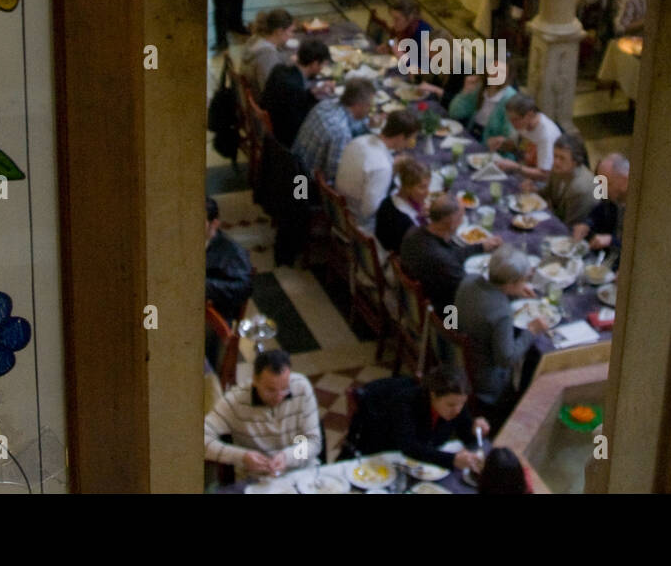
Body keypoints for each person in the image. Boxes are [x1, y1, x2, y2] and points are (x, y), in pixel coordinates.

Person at [454, 246, 550, 425]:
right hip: (487, 381)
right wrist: (532, 331)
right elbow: (506, 358)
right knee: (532, 365)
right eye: (524, 280)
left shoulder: (469, 280)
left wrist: (511, 295)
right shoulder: (501, 313)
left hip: (461, 357)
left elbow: (483, 304)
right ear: (510, 283)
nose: (526, 283)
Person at [343, 366, 490, 472]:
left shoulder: (456, 403)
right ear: (433, 395)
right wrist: (452, 460)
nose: (458, 410)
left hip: (420, 464)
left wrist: (474, 429)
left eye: (462, 404)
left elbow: (465, 433)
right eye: (451, 404)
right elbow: (409, 446)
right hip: (385, 456)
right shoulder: (405, 402)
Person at [203, 349, 322, 478]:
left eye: (285, 389)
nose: (279, 397)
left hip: (302, 473)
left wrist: (287, 457)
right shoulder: (235, 401)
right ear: (255, 380)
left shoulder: (301, 387)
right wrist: (242, 457)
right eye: (271, 390)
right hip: (258, 480)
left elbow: (313, 442)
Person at [401, 193, 502, 316]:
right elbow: (472, 293)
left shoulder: (414, 232)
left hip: (410, 299)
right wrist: (504, 285)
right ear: (452, 223)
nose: (462, 221)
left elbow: (450, 254)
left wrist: (480, 247)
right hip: (446, 314)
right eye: (461, 218)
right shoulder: (442, 261)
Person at [335, 110, 420, 231]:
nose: (410, 144)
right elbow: (370, 211)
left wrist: (391, 166)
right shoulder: (382, 167)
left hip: (341, 204)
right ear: (401, 137)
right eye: (411, 139)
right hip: (358, 223)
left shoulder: (360, 140)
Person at [291, 78, 373, 182]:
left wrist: (367, 124)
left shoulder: (326, 104)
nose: (370, 110)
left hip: (293, 162)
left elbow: (350, 120)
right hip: (305, 181)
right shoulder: (341, 132)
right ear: (358, 105)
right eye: (369, 105)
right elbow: (334, 174)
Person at [205, 196, 254, 368]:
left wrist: (207, 287)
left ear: (214, 224)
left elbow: (244, 288)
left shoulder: (232, 252)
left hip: (216, 313)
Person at [259, 37, 333, 147]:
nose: (322, 69)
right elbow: (300, 124)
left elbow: (294, 101)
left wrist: (313, 92)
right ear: (314, 64)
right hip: (286, 139)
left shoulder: (279, 69)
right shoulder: (295, 87)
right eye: (322, 65)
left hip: (273, 124)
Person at [523, 133, 597, 227]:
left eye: (562, 158)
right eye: (555, 156)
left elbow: (570, 225)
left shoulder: (579, 187)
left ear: (575, 162)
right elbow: (546, 193)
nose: (556, 162)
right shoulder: (559, 169)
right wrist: (533, 190)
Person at [573, 152, 630, 270]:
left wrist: (612, 240)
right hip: (603, 258)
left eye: (605, 184)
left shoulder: (643, 210)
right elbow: (598, 212)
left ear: (625, 181)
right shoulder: (610, 195)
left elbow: (643, 248)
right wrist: (587, 223)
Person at [489, 93, 562, 183]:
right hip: (522, 172)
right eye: (510, 119)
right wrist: (502, 143)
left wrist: (516, 167)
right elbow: (516, 148)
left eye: (515, 120)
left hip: (538, 182)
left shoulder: (546, 135)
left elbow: (544, 174)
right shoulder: (523, 125)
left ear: (529, 115)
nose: (512, 123)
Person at [447, 65, 518, 145]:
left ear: (508, 76)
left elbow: (509, 137)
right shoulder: (480, 87)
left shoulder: (511, 98)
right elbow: (455, 113)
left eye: (501, 72)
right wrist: (465, 91)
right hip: (470, 137)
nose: (495, 74)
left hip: (489, 147)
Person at [374, 156, 431, 254]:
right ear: (407, 188)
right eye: (422, 187)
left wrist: (421, 214)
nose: (427, 192)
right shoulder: (406, 225)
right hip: (394, 259)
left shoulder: (390, 198)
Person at [240, 8, 294, 94]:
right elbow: (271, 90)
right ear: (279, 31)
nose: (292, 35)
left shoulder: (256, 39)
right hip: (262, 101)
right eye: (290, 31)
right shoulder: (267, 55)